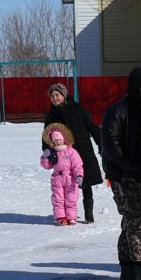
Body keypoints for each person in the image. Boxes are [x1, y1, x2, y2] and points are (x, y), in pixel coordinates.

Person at [99, 66, 141, 280]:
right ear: (134, 87)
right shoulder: (117, 110)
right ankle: (140, 267)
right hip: (123, 175)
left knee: (133, 220)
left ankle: (127, 269)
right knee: (135, 221)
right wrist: (131, 167)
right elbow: (110, 146)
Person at [42, 83, 103, 224]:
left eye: (57, 95)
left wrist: (101, 143)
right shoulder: (51, 115)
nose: (55, 98)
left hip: (82, 149)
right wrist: (47, 150)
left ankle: (89, 214)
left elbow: (91, 127)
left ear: (64, 95)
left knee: (85, 181)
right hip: (63, 155)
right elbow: (46, 134)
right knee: (66, 186)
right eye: (52, 96)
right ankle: (65, 215)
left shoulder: (78, 109)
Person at [41, 124, 83, 226]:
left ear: (63, 139)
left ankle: (71, 217)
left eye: (59, 139)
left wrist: (79, 175)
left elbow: (77, 165)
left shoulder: (71, 151)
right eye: (55, 141)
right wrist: (45, 158)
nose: (57, 142)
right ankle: (61, 217)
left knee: (71, 198)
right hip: (57, 178)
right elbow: (47, 166)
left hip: (70, 178)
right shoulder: (53, 153)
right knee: (58, 199)